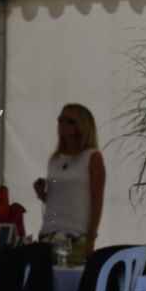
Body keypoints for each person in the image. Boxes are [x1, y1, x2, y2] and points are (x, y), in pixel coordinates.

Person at [33, 102, 104, 260]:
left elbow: (97, 200)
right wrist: (42, 194)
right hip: (48, 234)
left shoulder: (92, 157)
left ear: (83, 126)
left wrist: (91, 238)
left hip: (76, 237)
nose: (62, 125)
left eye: (70, 121)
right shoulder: (55, 159)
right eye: (60, 120)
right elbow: (59, 200)